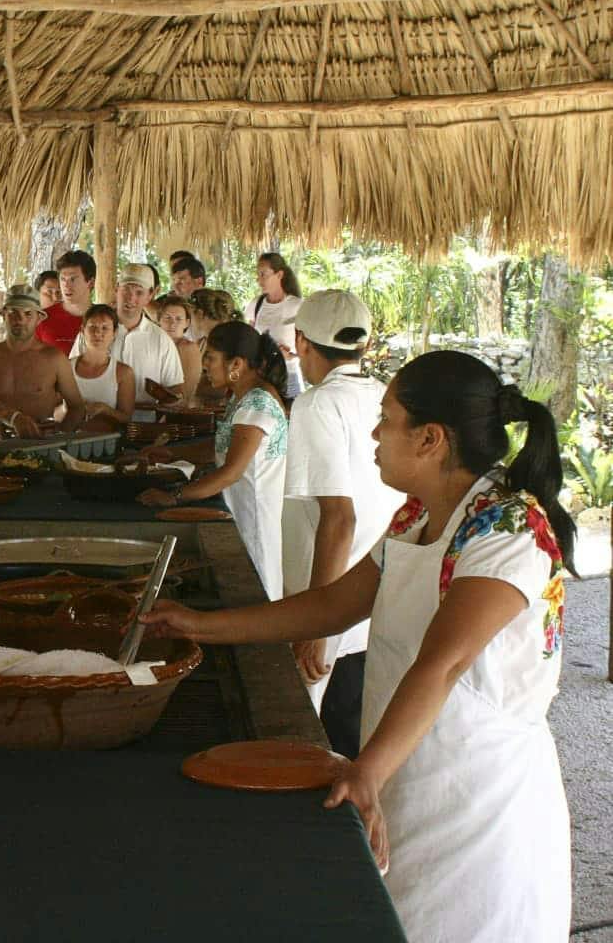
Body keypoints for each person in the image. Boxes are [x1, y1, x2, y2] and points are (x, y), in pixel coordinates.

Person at [141, 350, 576, 943]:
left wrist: (366, 770)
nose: (373, 433)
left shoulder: (507, 530)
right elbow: (333, 605)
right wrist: (202, 625)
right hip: (407, 761)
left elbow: (442, 665)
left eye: (387, 419)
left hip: (476, 791)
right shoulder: (417, 515)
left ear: (430, 439)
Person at [280, 291, 403, 758]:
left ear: (301, 341)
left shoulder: (316, 405)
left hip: (334, 610)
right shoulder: (383, 396)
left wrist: (316, 626)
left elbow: (339, 517)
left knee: (316, 749)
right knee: (355, 739)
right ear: (364, 347)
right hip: (372, 604)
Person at [138, 322, 288, 599]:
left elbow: (230, 472)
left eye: (210, 357)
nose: (204, 364)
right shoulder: (244, 396)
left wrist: (175, 496)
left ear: (237, 364)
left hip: (253, 523)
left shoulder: (257, 405)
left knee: (255, 600)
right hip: (243, 516)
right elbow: (222, 446)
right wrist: (174, 453)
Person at [0, 284, 86, 437]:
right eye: (13, 313)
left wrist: (58, 437)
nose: (20, 320)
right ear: (3, 316)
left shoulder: (54, 359)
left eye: (28, 314)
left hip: (42, 445)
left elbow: (77, 408)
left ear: (39, 318)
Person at [109, 264, 184, 406]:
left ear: (150, 295)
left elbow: (176, 388)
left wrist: (167, 399)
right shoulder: (94, 330)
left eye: (139, 292)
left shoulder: (161, 339)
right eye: (126, 290)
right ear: (116, 289)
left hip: (144, 424)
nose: (131, 298)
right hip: (98, 424)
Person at [245, 251, 304, 399]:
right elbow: (249, 339)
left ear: (279, 275)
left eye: (263, 274)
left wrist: (289, 356)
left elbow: (310, 345)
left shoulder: (297, 306)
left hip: (289, 375)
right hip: (262, 376)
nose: (259, 280)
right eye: (258, 275)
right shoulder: (255, 305)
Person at [69, 304, 134, 431]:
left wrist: (104, 409)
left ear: (114, 333)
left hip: (107, 444)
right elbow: (53, 412)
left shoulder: (123, 373)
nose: (98, 333)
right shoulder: (66, 367)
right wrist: (68, 408)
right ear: (82, 330)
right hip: (67, 440)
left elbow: (126, 418)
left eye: (105, 328)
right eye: (92, 327)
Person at [35, 249, 94, 355]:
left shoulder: (105, 319)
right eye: (63, 279)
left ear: (90, 283)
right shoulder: (41, 319)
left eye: (73, 279)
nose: (66, 286)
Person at [188, 288, 239, 406]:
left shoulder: (225, 341)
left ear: (199, 314)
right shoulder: (203, 341)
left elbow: (221, 386)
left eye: (190, 316)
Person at [154, 295, 203, 405]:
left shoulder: (187, 348)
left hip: (175, 412)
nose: (172, 324)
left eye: (178, 319)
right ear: (159, 320)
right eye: (167, 318)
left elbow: (185, 393)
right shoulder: (155, 345)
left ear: (187, 322)